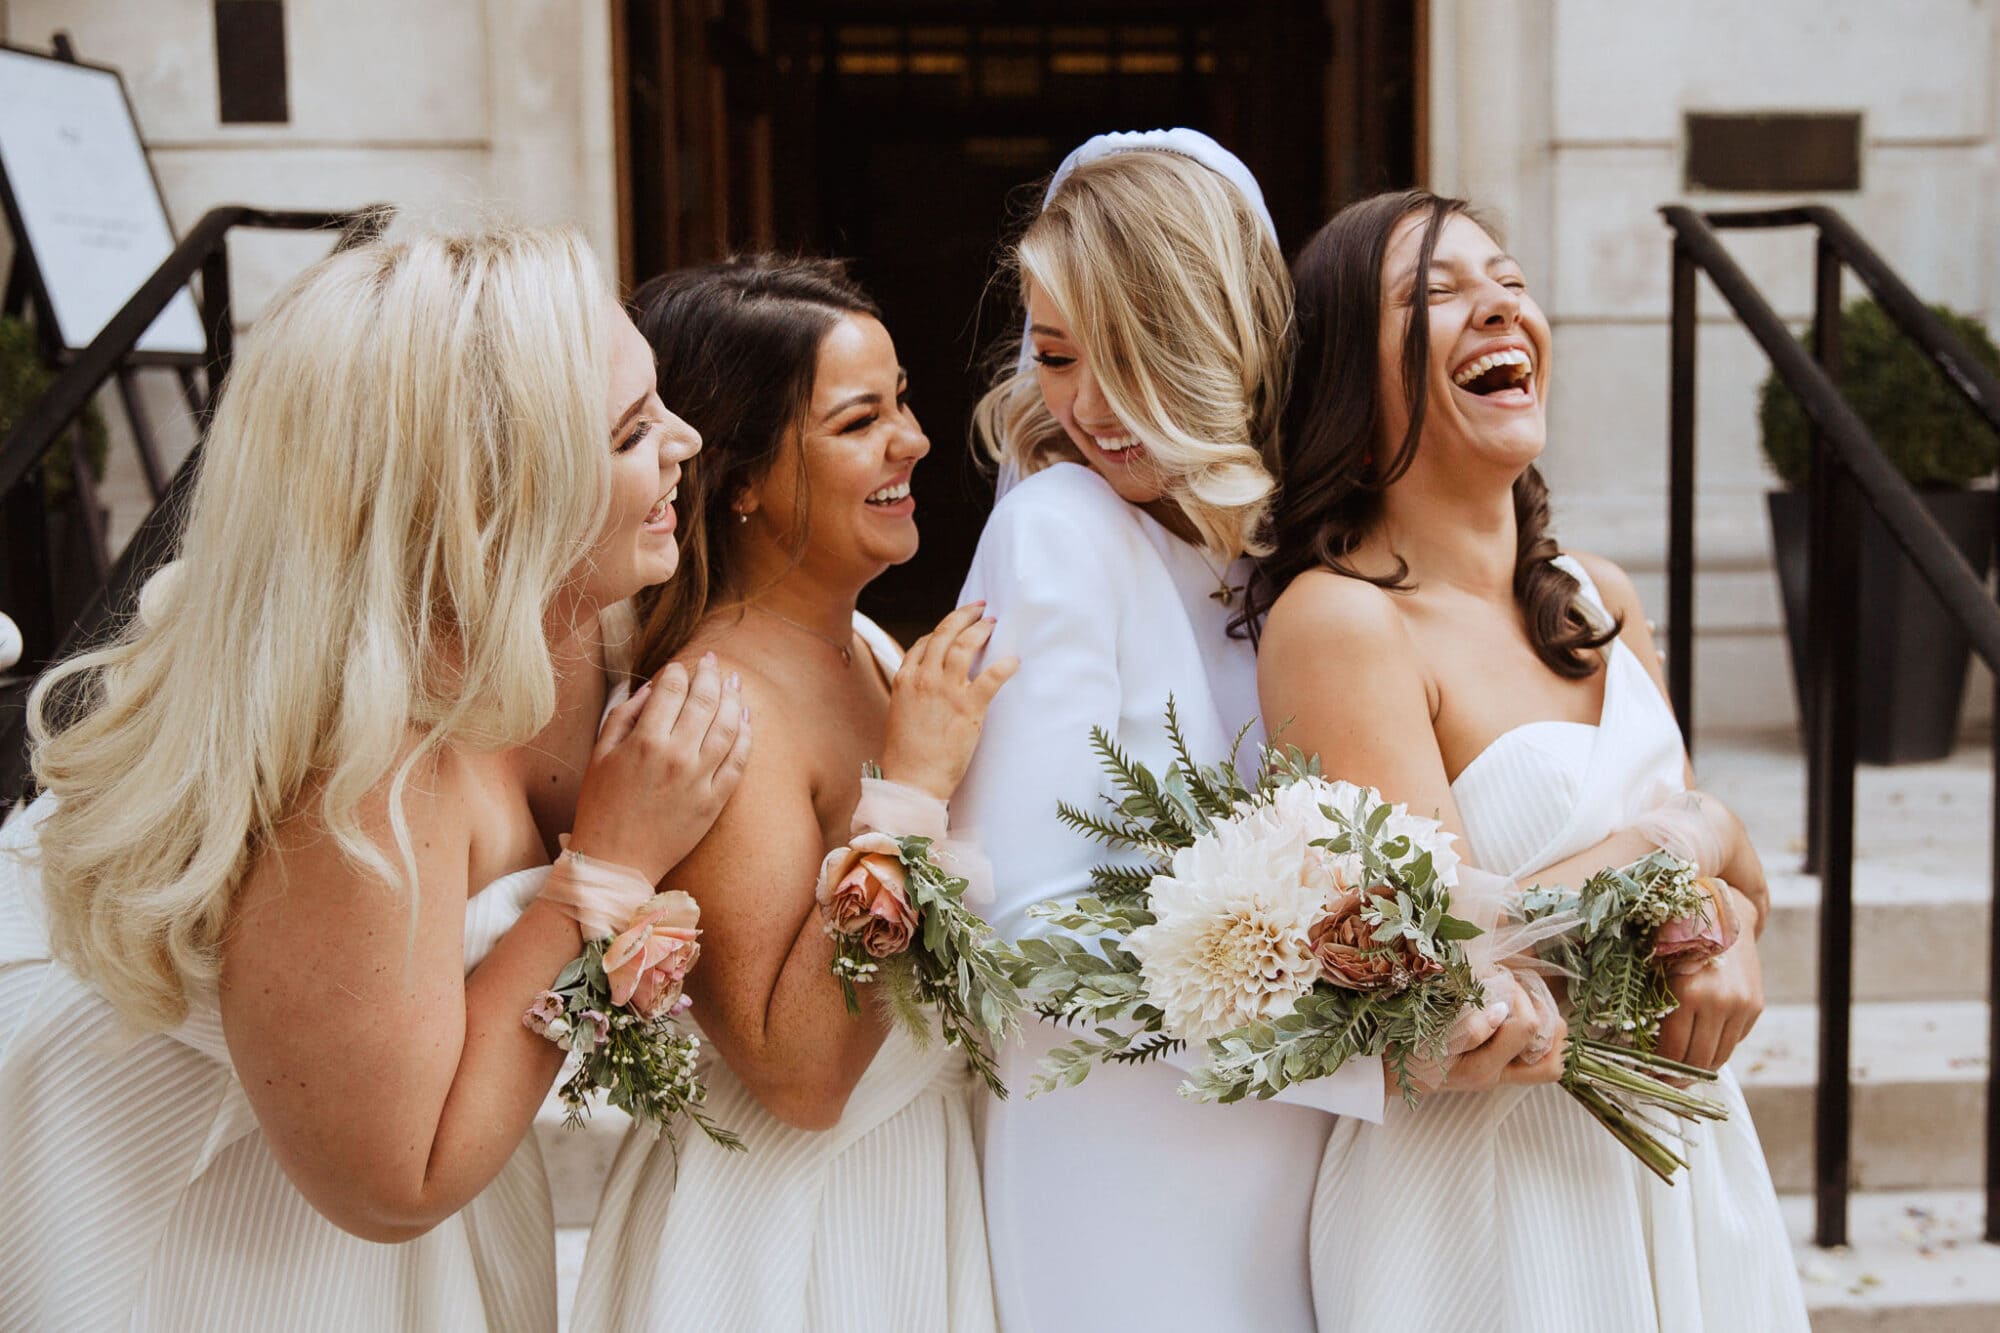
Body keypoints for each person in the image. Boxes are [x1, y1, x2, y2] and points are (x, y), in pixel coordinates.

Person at [0, 222, 748, 1330]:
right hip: (222, 1229)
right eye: (632, 429)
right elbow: (392, 1179)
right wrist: (608, 866)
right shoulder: (357, 757)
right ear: (494, 495)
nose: (685, 441)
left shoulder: (549, 623)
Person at [1254, 189, 1807, 1330]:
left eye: (1508, 281)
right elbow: (1443, 965)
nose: (1499, 308)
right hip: (1493, 1202)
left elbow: (1731, 893)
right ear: (1351, 383)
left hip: (1681, 1164)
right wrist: (1686, 836)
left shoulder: (1597, 599)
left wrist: (1723, 930)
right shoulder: (1342, 621)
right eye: (1434, 294)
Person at [952, 130, 1386, 1332]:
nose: (1088, 408)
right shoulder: (1058, 529)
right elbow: (1026, 920)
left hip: (1299, 1146)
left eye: (1130, 354)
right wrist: (1369, 1028)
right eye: (1054, 355)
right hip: (1117, 1151)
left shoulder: (1283, 557)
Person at [575, 256, 1013, 1331]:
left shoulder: (865, 645)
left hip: (909, 1183)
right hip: (795, 1232)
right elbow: (795, 1072)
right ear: (741, 478)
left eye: (901, 401)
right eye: (860, 421)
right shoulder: (714, 704)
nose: (913, 440)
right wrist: (910, 792)